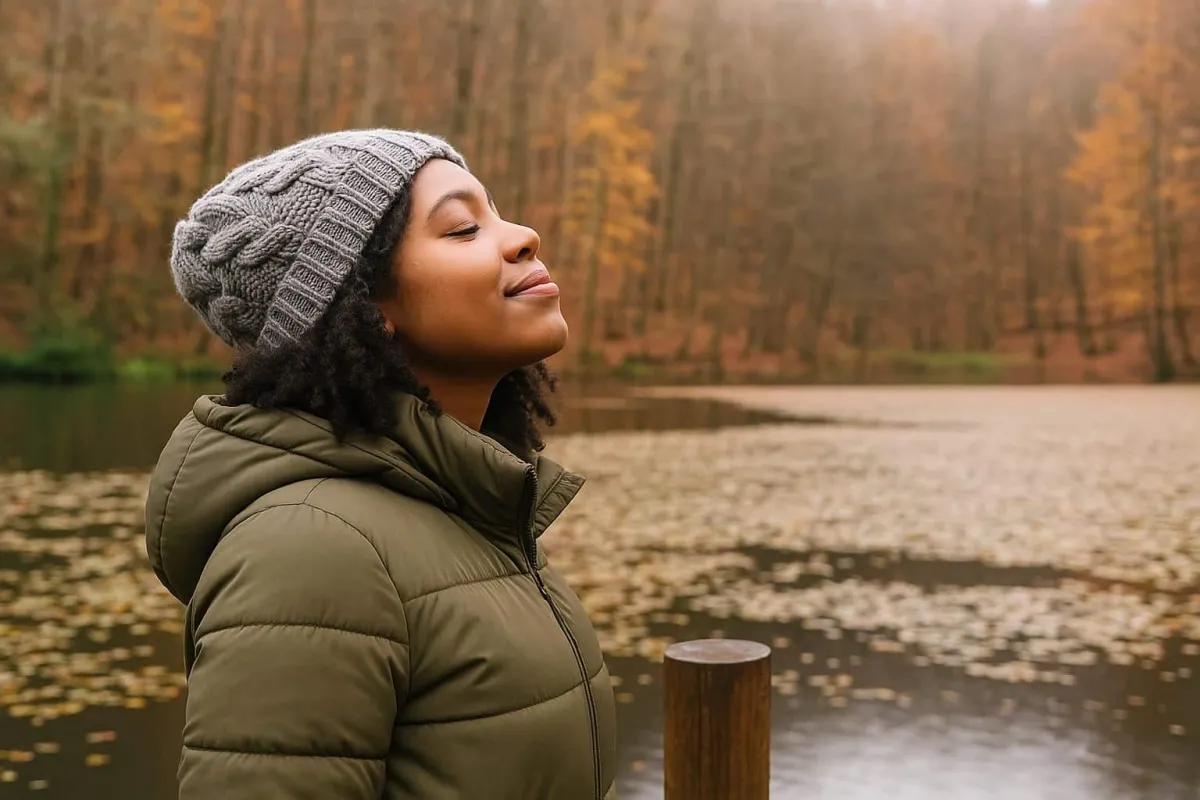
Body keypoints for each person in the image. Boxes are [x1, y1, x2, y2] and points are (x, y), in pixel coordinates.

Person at [144, 130, 618, 800]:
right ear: (363, 306)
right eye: (461, 229)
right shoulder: (311, 549)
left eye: (496, 213)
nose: (523, 236)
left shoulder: (471, 507)